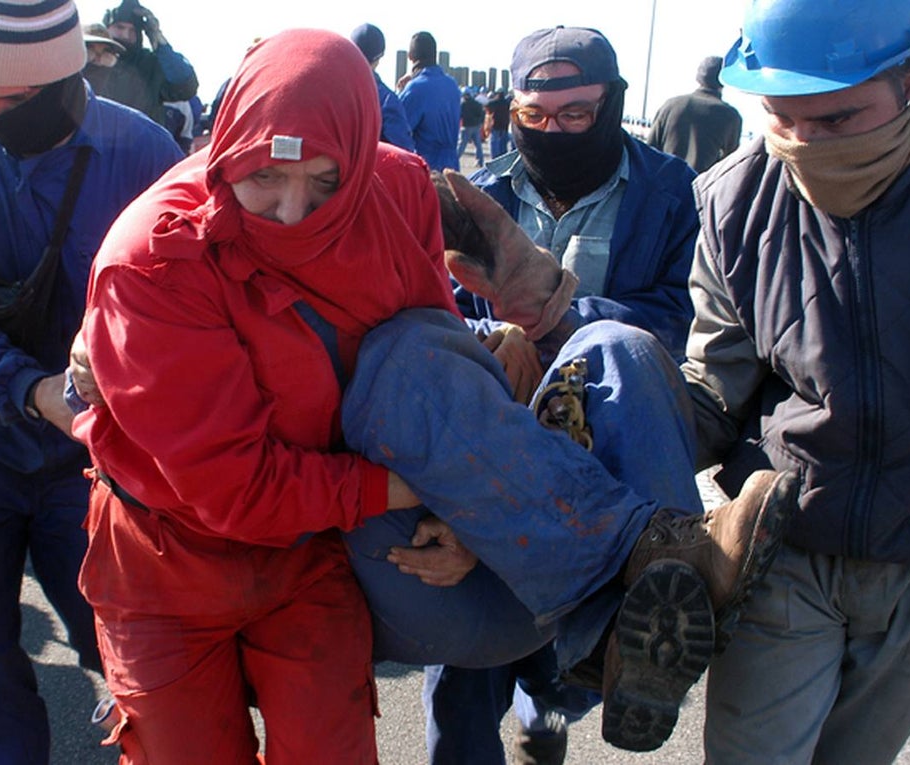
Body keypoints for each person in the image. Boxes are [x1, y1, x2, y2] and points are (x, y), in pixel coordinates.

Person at [68, 27, 796, 762]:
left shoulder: (395, 193)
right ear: (224, 151)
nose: (293, 215)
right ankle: (629, 578)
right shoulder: (156, 262)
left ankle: (627, 611)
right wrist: (419, 491)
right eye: (264, 181)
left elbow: (432, 363)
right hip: (171, 562)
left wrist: (480, 449)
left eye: (325, 184)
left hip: (315, 555)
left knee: (601, 349)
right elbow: (237, 488)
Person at [0, 0, 181, 761]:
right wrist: (31, 390)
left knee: (132, 638)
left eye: (16, 98)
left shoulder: (146, 156)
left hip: (105, 441)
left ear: (71, 76)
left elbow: (194, 307)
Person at [686, 1, 910, 763]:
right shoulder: (734, 202)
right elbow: (713, 379)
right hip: (786, 544)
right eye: (780, 118)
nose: (805, 144)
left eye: (836, 120)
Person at [425, 26, 701, 764]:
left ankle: (558, 695)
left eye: (576, 116)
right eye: (536, 117)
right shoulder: (472, 195)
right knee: (461, 680)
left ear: (612, 105)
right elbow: (434, 311)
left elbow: (678, 323)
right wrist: (493, 335)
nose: (555, 132)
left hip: (608, 444)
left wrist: (561, 315)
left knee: (575, 645)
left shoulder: (672, 195)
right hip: (496, 441)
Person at [99, 0, 198, 129]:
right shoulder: (89, 59)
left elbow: (185, 87)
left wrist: (161, 44)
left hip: (140, 143)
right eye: (120, 27)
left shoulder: (150, 64)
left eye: (133, 30)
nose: (126, 35)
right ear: (107, 28)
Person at [647, 55, 743, 173]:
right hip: (701, 188)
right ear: (725, 79)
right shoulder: (730, 116)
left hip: (661, 185)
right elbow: (730, 167)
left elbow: (649, 150)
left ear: (698, 77)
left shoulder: (671, 105)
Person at [398, 31, 461, 170]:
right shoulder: (452, 85)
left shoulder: (415, 88)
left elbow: (398, 129)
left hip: (428, 166)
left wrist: (400, 92)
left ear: (410, 57)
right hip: (452, 164)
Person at [351, 22, 415, 153]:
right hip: (371, 171)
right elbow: (403, 151)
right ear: (380, 56)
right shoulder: (386, 99)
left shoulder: (332, 91)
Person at [457, 87, 486, 166]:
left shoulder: (462, 104)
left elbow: (459, 116)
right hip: (476, 126)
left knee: (462, 145)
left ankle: (455, 160)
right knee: (478, 145)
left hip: (466, 127)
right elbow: (482, 114)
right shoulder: (477, 104)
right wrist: (480, 122)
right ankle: (480, 161)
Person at [483, 88, 513, 159]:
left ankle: (494, 158)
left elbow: (487, 107)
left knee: (494, 144)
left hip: (495, 125)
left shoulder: (493, 102)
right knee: (503, 144)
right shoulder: (507, 103)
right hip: (505, 125)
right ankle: (503, 158)